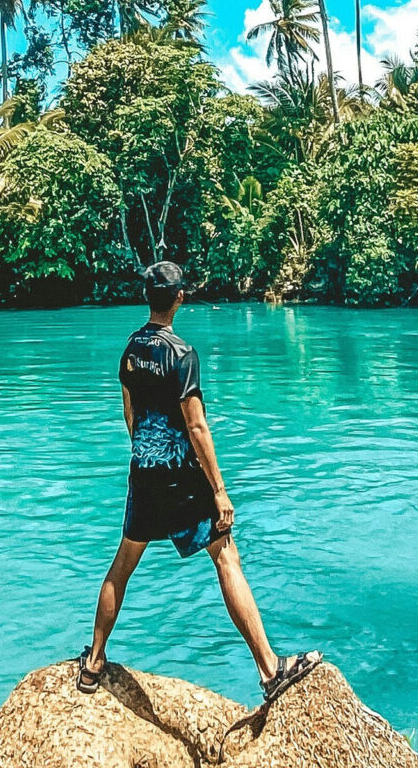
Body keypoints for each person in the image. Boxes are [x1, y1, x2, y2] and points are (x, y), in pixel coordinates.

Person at [76, 261, 321, 702]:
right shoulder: (181, 353)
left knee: (123, 565)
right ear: (180, 299)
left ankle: (93, 662)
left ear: (147, 298)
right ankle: (270, 670)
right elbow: (197, 428)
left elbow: (129, 413)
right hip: (182, 477)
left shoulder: (131, 349)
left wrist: (146, 455)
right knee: (226, 557)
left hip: (144, 472)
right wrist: (220, 492)